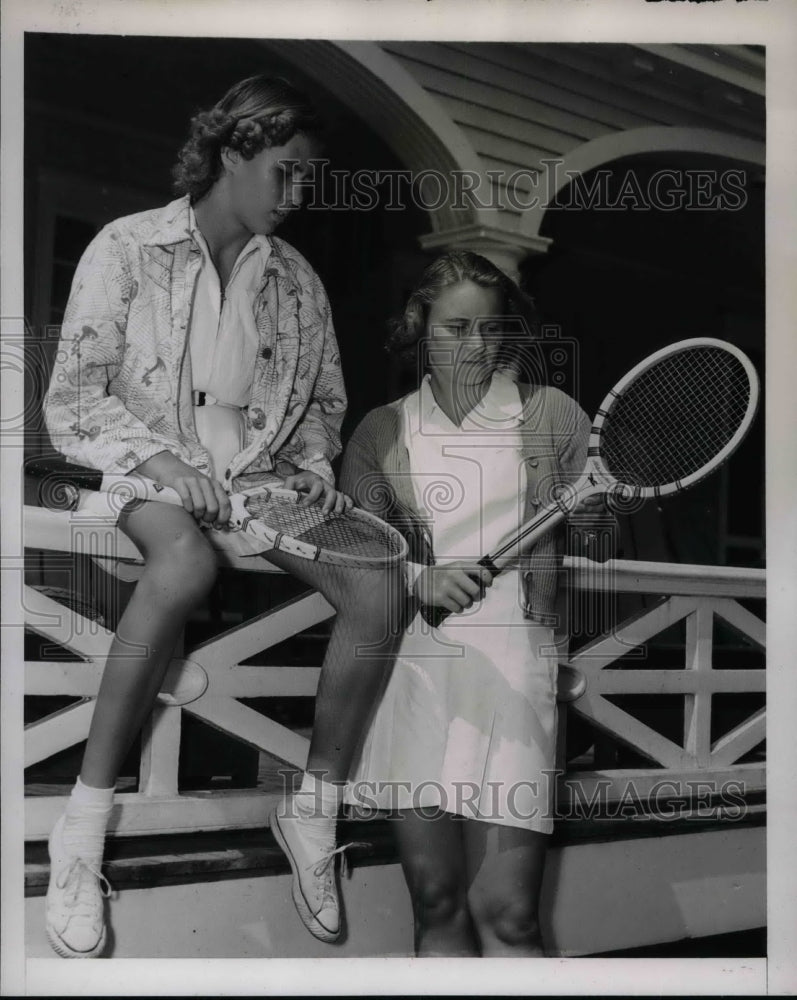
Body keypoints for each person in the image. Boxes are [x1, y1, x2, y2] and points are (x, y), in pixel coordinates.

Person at [43, 74, 405, 958]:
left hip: (264, 482)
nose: (297, 194)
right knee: (184, 566)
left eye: (307, 180)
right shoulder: (126, 247)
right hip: (144, 466)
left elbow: (323, 400)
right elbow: (72, 399)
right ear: (233, 151)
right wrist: (164, 462)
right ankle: (82, 828)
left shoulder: (298, 281)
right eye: (285, 172)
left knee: (379, 588)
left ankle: (312, 814)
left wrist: (317, 466)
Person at [339, 250, 614, 957]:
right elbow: (349, 557)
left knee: (512, 915)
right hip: (413, 674)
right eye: (456, 327)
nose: (476, 346)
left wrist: (594, 511)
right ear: (419, 325)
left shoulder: (550, 413)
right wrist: (415, 581)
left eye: (491, 330)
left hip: (516, 667)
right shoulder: (380, 429)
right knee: (435, 903)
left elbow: (603, 541)